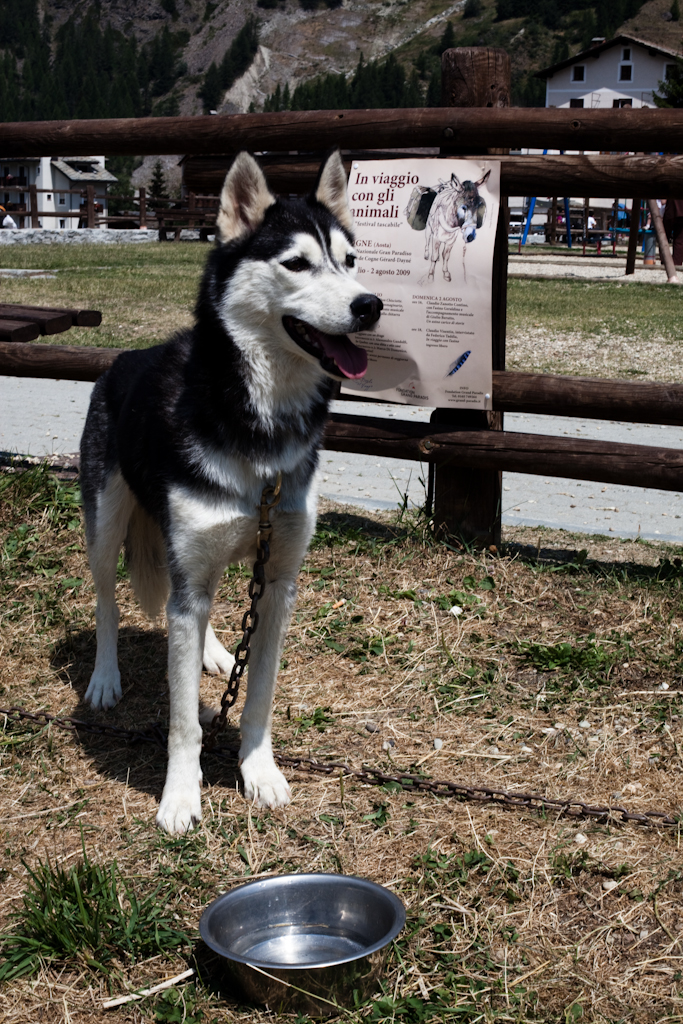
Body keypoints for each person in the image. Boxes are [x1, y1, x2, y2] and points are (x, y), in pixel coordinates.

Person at [663, 198, 683, 267]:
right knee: (679, 240)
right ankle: (677, 263)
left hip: (671, 210)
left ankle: (664, 260)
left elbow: (663, 201)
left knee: (664, 237)